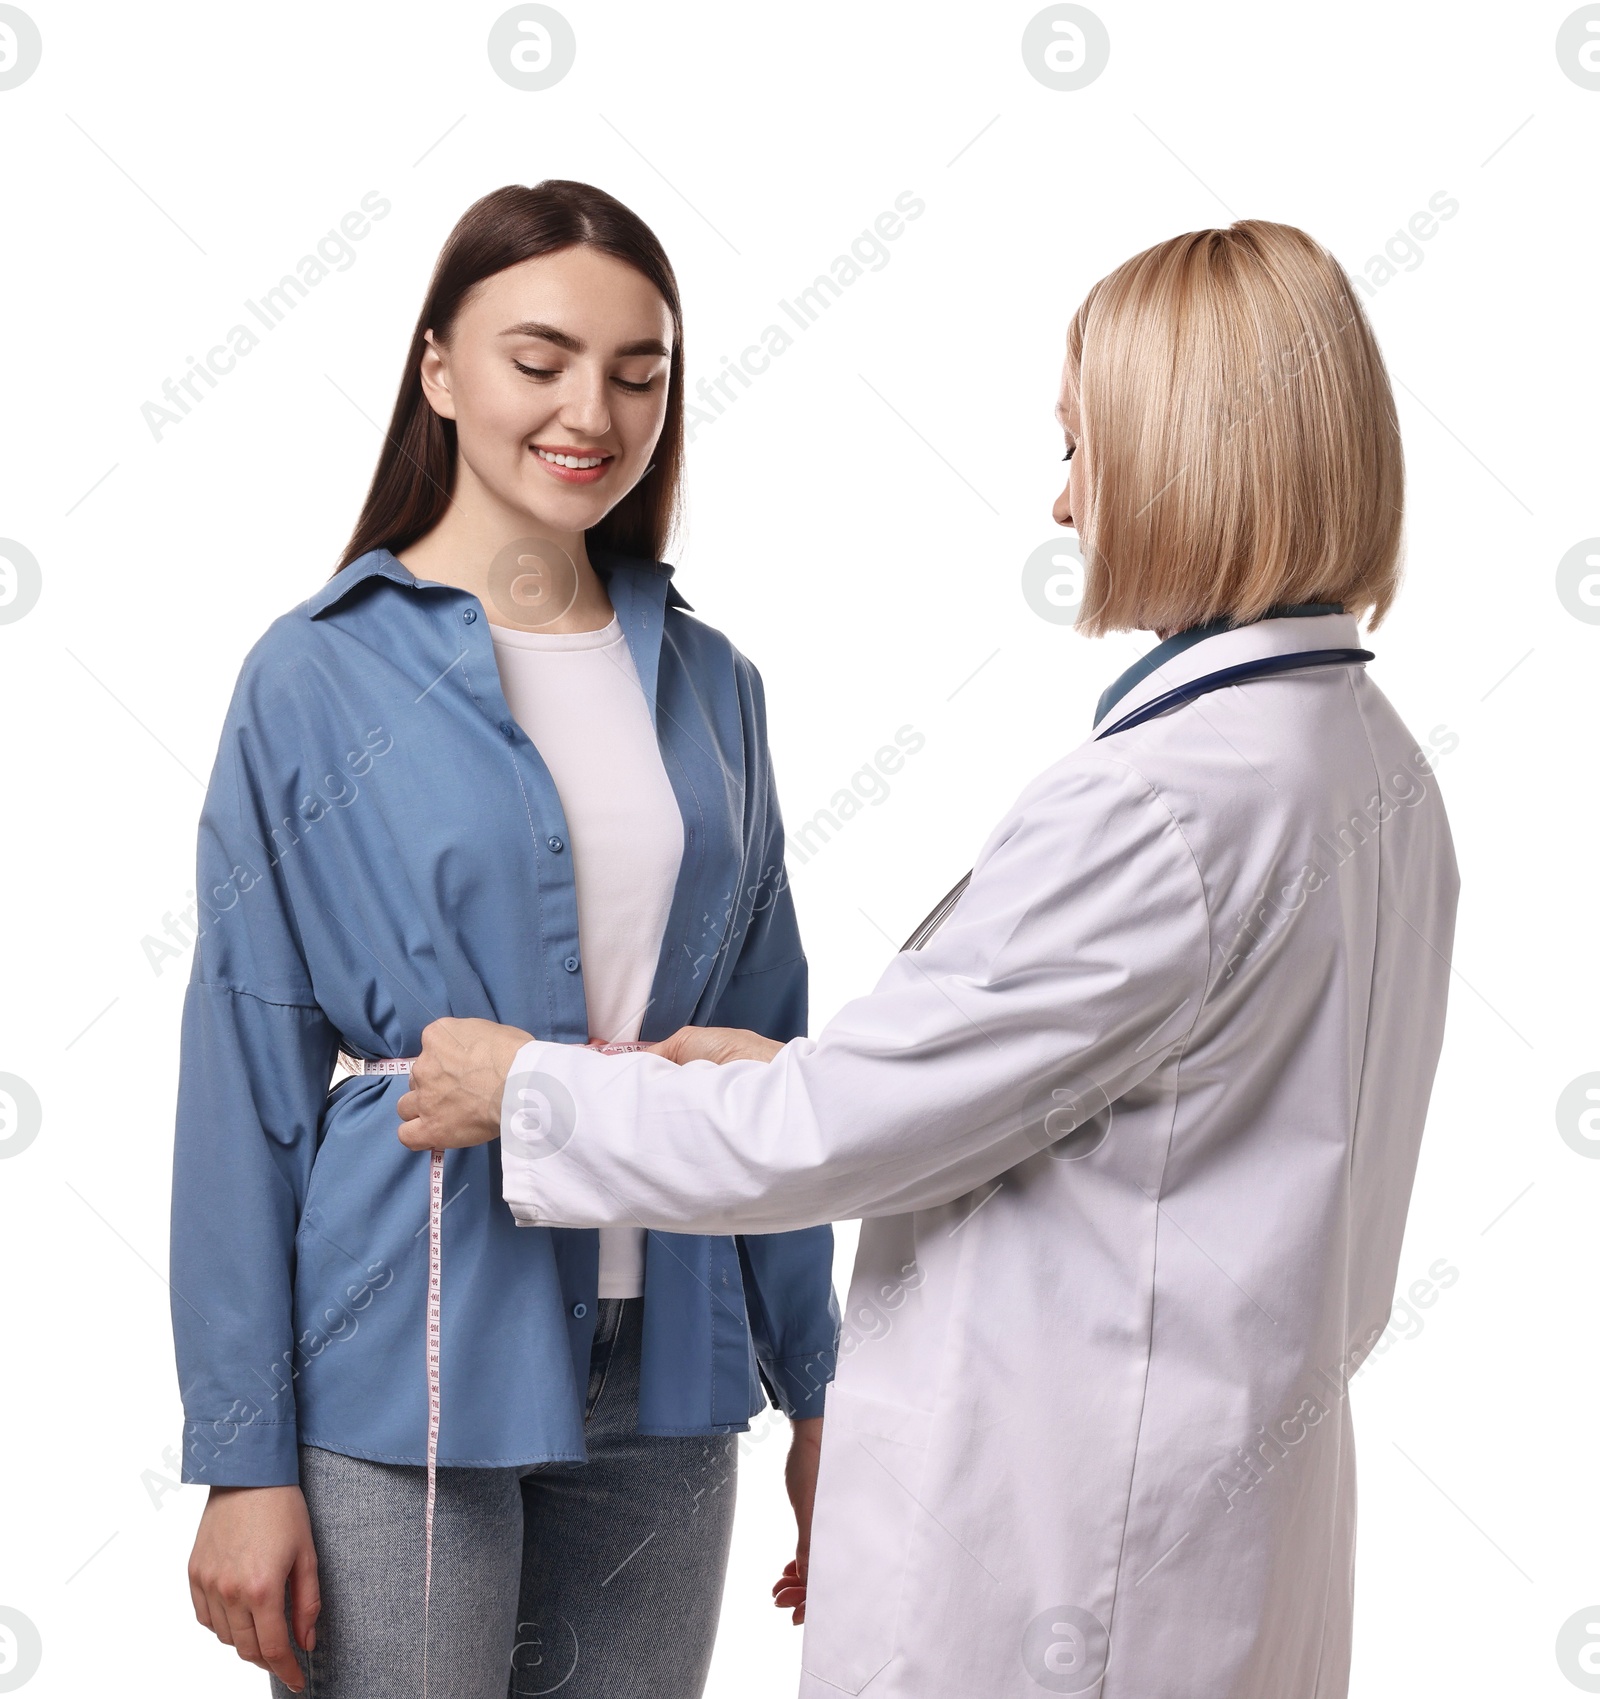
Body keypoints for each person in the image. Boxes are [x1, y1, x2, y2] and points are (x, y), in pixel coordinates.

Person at [399, 220, 1461, 1699]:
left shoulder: (1156, 806)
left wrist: (529, 1091)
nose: (1067, 500)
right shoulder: (1363, 765)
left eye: (1090, 450)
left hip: (1061, 1573)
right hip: (1208, 1535)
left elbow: (836, 1140)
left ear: (1195, 464)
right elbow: (1093, 1098)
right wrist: (803, 1072)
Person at [170, 180, 838, 1698]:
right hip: (403, 1356)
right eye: (539, 360)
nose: (588, 410)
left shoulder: (713, 687)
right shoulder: (312, 676)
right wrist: (241, 1457)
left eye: (638, 372)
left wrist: (820, 1393)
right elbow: (241, 1070)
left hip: (672, 1366)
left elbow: (774, 1068)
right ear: (439, 371)